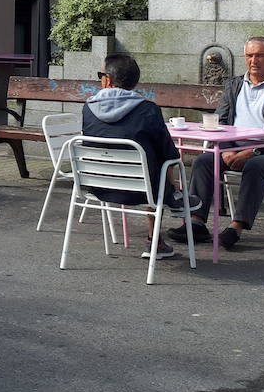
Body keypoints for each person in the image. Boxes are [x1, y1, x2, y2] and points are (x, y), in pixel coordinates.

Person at [168, 36, 264, 251]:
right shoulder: (234, 85)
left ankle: (236, 227)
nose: (254, 60)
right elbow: (220, 122)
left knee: (255, 167)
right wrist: (224, 149)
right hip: (232, 147)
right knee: (204, 161)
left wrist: (252, 151)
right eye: (250, 55)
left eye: (260, 55)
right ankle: (196, 222)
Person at [81, 54, 200, 260]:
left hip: (98, 187)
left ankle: (171, 201)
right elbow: (169, 154)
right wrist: (175, 186)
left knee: (150, 168)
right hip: (142, 190)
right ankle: (167, 214)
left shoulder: (88, 108)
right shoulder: (148, 110)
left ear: (107, 80)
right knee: (160, 167)